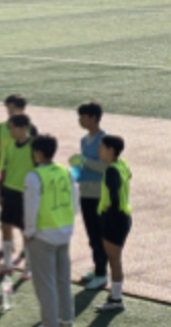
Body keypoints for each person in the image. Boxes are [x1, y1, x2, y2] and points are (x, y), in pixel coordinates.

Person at [23, 135, 80, 327]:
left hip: (43, 236)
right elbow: (75, 202)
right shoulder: (66, 172)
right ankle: (67, 320)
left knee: (45, 283)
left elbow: (31, 208)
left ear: (37, 152)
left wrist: (29, 233)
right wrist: (66, 223)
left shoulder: (34, 176)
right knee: (63, 280)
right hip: (64, 232)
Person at [0, 94, 38, 268]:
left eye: (13, 108)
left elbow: (38, 161)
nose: (10, 112)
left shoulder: (32, 133)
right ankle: (8, 255)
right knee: (6, 223)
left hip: (25, 189)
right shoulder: (2, 128)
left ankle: (28, 258)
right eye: (8, 108)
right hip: (8, 183)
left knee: (26, 225)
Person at [69, 102, 109, 291]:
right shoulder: (84, 140)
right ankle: (98, 268)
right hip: (86, 192)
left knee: (100, 235)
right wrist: (76, 170)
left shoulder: (104, 140)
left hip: (99, 194)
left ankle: (102, 274)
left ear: (93, 118)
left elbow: (105, 167)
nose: (80, 121)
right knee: (92, 235)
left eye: (83, 117)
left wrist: (85, 160)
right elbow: (86, 167)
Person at [97, 135, 132, 312]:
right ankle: (115, 295)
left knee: (114, 260)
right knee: (115, 259)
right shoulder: (122, 164)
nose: (99, 150)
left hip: (114, 218)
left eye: (101, 147)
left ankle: (116, 299)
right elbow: (129, 176)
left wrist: (109, 211)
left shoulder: (111, 170)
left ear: (110, 150)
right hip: (124, 217)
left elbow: (114, 197)